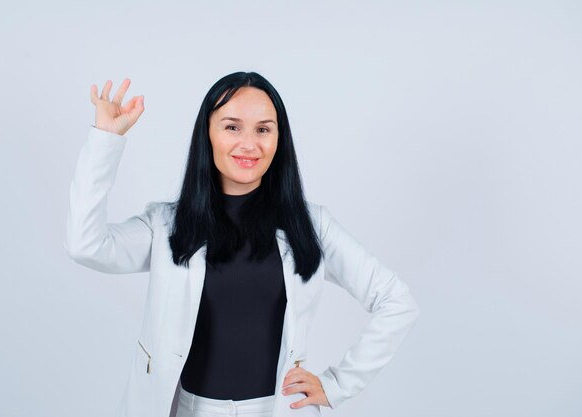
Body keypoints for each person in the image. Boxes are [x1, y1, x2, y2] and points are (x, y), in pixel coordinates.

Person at [64, 72, 420, 417]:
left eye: (263, 129)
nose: (249, 144)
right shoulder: (167, 225)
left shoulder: (311, 225)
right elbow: (86, 245)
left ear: (279, 139)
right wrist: (105, 142)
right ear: (208, 134)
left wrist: (337, 384)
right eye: (232, 127)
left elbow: (395, 300)